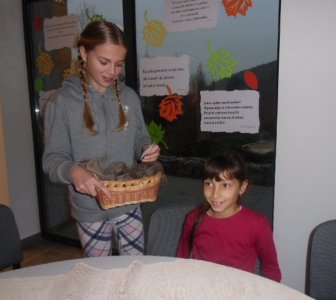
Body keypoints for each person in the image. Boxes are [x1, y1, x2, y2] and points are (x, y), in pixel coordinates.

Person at [42, 20, 160, 257]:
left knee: (135, 267)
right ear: (84, 53)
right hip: (89, 210)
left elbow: (140, 140)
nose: (111, 72)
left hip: (128, 203)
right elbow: (52, 160)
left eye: (119, 64)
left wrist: (146, 149)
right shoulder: (63, 101)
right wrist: (74, 171)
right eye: (104, 62)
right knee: (98, 275)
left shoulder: (129, 96)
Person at [177, 150, 282, 282]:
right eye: (209, 184)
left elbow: (271, 270)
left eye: (225, 185)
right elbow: (182, 261)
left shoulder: (257, 225)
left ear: (242, 187)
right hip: (201, 288)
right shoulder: (193, 218)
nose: (215, 194)